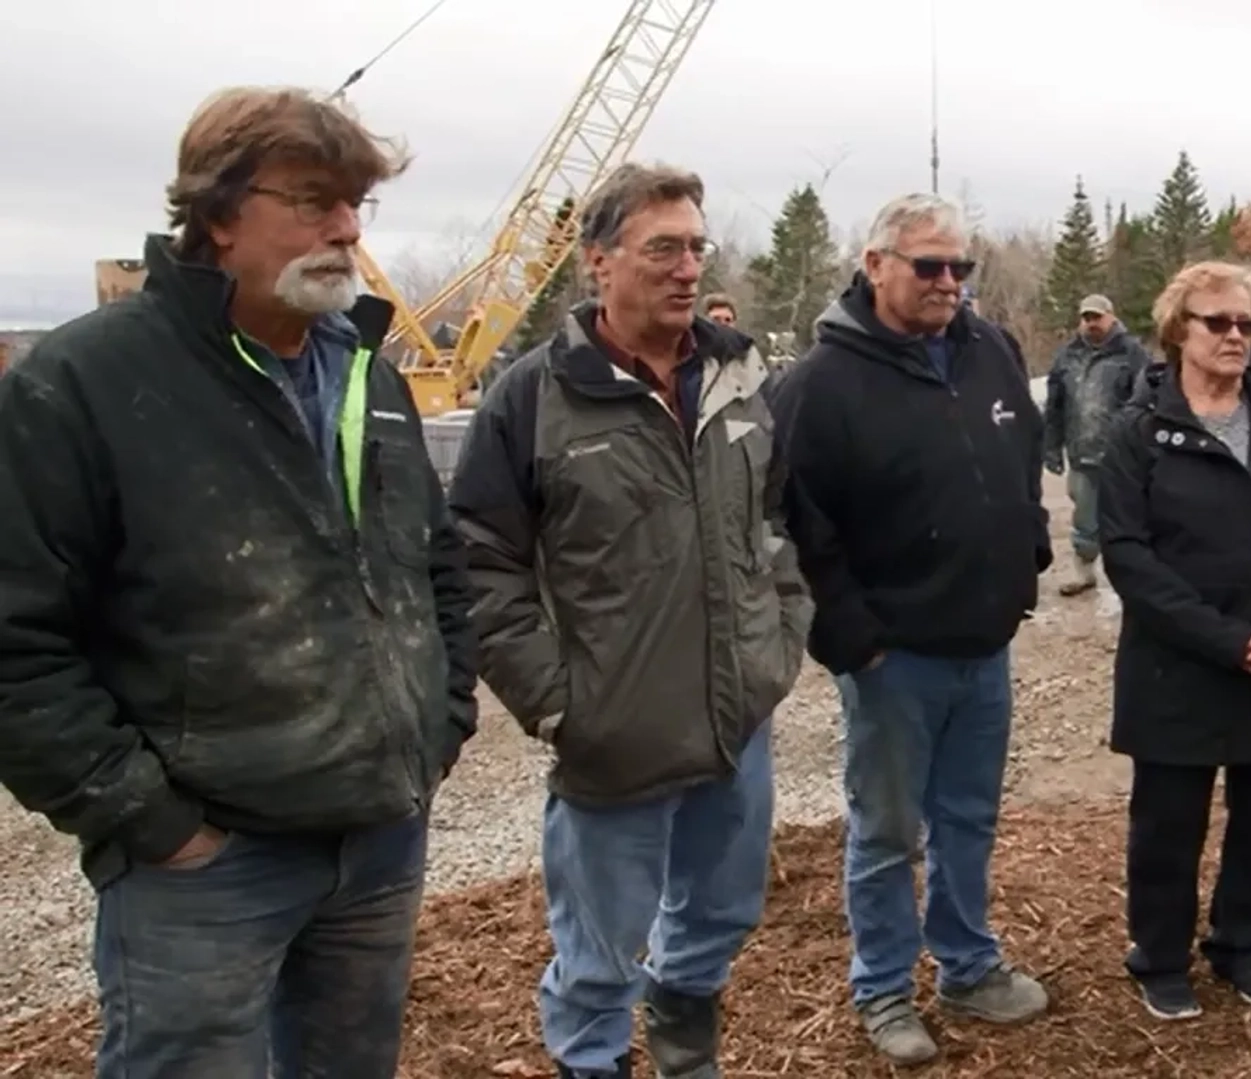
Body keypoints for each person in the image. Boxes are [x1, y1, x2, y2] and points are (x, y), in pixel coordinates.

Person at [0, 86, 478, 1078]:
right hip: (207, 868)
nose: (346, 227)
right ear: (216, 213)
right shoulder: (84, 382)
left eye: (355, 203)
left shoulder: (364, 371)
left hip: (379, 837)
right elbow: (16, 639)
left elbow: (433, 563)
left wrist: (440, 723)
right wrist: (153, 822)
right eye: (311, 200)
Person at [449, 164, 810, 1079]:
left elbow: (773, 523)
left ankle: (686, 1031)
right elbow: (481, 563)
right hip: (612, 733)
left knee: (723, 910)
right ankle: (593, 1059)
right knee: (600, 946)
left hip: (737, 717)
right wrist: (559, 700)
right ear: (597, 262)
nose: (687, 267)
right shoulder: (534, 397)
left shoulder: (736, 375)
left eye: (696, 246)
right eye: (663, 248)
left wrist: (778, 641)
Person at [769, 193, 1052, 1067]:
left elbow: (1021, 458)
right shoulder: (820, 383)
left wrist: (1029, 556)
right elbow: (798, 524)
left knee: (968, 816)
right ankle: (884, 985)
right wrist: (853, 636)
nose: (946, 282)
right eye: (927, 265)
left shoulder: (991, 351)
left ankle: (967, 962)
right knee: (888, 830)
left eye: (959, 267)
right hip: (895, 659)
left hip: (986, 642)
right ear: (875, 264)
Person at [1098, 261, 1251, 1022]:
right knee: (1169, 825)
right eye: (1219, 322)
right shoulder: (1139, 432)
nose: (1237, 335)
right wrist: (1228, 639)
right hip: (1180, 665)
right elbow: (1128, 554)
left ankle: (1241, 944)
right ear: (1180, 329)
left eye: (1248, 323)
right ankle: (1161, 954)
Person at [1043, 293, 1152, 597]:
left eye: (1097, 317)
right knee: (1085, 520)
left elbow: (1146, 402)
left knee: (1131, 518)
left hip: (1123, 455)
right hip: (1082, 453)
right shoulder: (1066, 356)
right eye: (1086, 317)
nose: (1091, 323)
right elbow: (1054, 406)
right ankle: (1084, 573)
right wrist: (1051, 448)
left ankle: (1135, 578)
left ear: (1112, 317)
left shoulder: (1132, 353)